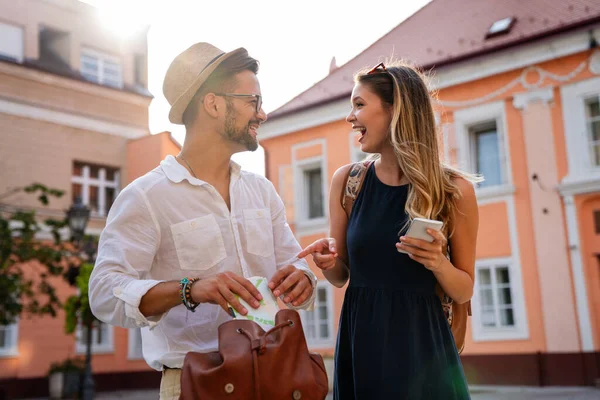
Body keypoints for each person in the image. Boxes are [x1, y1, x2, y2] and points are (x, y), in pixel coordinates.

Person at [89, 42, 317, 400]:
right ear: (213, 103)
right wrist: (190, 289)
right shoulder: (147, 196)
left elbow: (293, 263)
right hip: (197, 385)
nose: (262, 114)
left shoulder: (262, 190)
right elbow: (103, 292)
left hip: (276, 377)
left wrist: (303, 277)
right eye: (252, 101)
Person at [297, 60, 479, 399]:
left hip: (425, 350)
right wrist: (328, 261)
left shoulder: (454, 191)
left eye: (359, 105)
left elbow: (464, 289)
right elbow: (340, 276)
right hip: (361, 343)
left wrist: (438, 262)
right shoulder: (348, 181)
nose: (350, 117)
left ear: (396, 110)